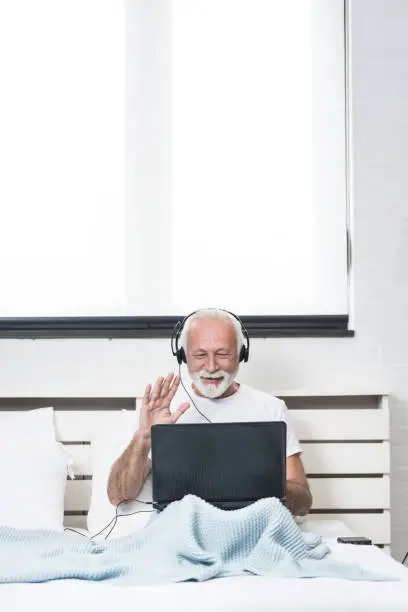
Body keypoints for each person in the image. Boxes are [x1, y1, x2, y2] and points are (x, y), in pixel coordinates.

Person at [107, 308, 312, 516]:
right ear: (183, 356)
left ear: (241, 354)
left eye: (223, 354)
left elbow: (303, 502)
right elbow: (118, 496)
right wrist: (143, 437)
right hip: (179, 528)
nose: (212, 366)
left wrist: (260, 485)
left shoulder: (271, 408)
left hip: (250, 525)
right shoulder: (161, 411)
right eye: (200, 355)